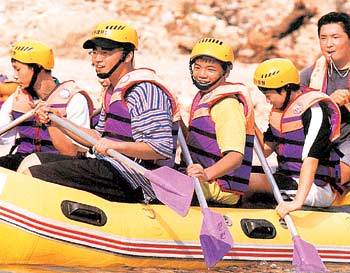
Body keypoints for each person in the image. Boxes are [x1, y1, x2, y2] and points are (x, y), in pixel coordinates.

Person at [22, 20, 180, 203]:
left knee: (31, 176)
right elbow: (96, 138)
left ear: (127, 56)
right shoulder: (112, 90)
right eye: (94, 52)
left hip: (135, 178)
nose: (96, 59)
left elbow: (161, 148)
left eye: (105, 53)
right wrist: (57, 121)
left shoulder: (145, 90)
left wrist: (115, 146)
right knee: (32, 160)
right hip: (110, 165)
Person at [251, 58, 344, 218]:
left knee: (249, 180)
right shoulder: (281, 109)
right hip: (287, 175)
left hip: (315, 187)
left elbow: (311, 160)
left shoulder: (314, 111)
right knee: (241, 172)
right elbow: (265, 150)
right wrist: (249, 122)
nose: (267, 100)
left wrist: (296, 203)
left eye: (269, 94)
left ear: (286, 88)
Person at [0, 40, 93, 171]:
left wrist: (52, 123)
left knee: (30, 166)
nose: (15, 76)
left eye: (18, 69)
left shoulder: (75, 99)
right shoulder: (16, 98)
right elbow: (4, 139)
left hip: (60, 165)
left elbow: (74, 153)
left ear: (38, 67)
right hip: (22, 158)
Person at [183, 38, 255, 206]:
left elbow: (235, 157)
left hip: (219, 188)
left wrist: (206, 174)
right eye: (197, 67)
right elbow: (198, 141)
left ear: (226, 71)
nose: (201, 74)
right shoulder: (204, 97)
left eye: (210, 69)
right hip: (203, 179)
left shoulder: (226, 105)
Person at [300, 12, 350, 186]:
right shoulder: (312, 73)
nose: (329, 44)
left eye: (335, 37)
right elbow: (294, 108)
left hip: (347, 141)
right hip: (321, 140)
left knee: (331, 181)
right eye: (323, 38)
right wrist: (328, 101)